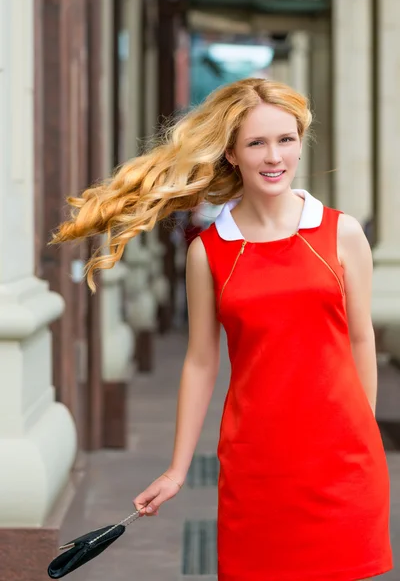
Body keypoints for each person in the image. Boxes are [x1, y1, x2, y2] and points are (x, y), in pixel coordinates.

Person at [51, 78, 393, 580]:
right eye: (256, 143)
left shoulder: (340, 233)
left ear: (300, 142)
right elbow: (201, 361)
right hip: (256, 467)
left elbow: (361, 339)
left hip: (343, 464)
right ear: (231, 153)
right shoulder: (210, 252)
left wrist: (364, 440)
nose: (274, 156)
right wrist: (176, 470)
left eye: (286, 139)